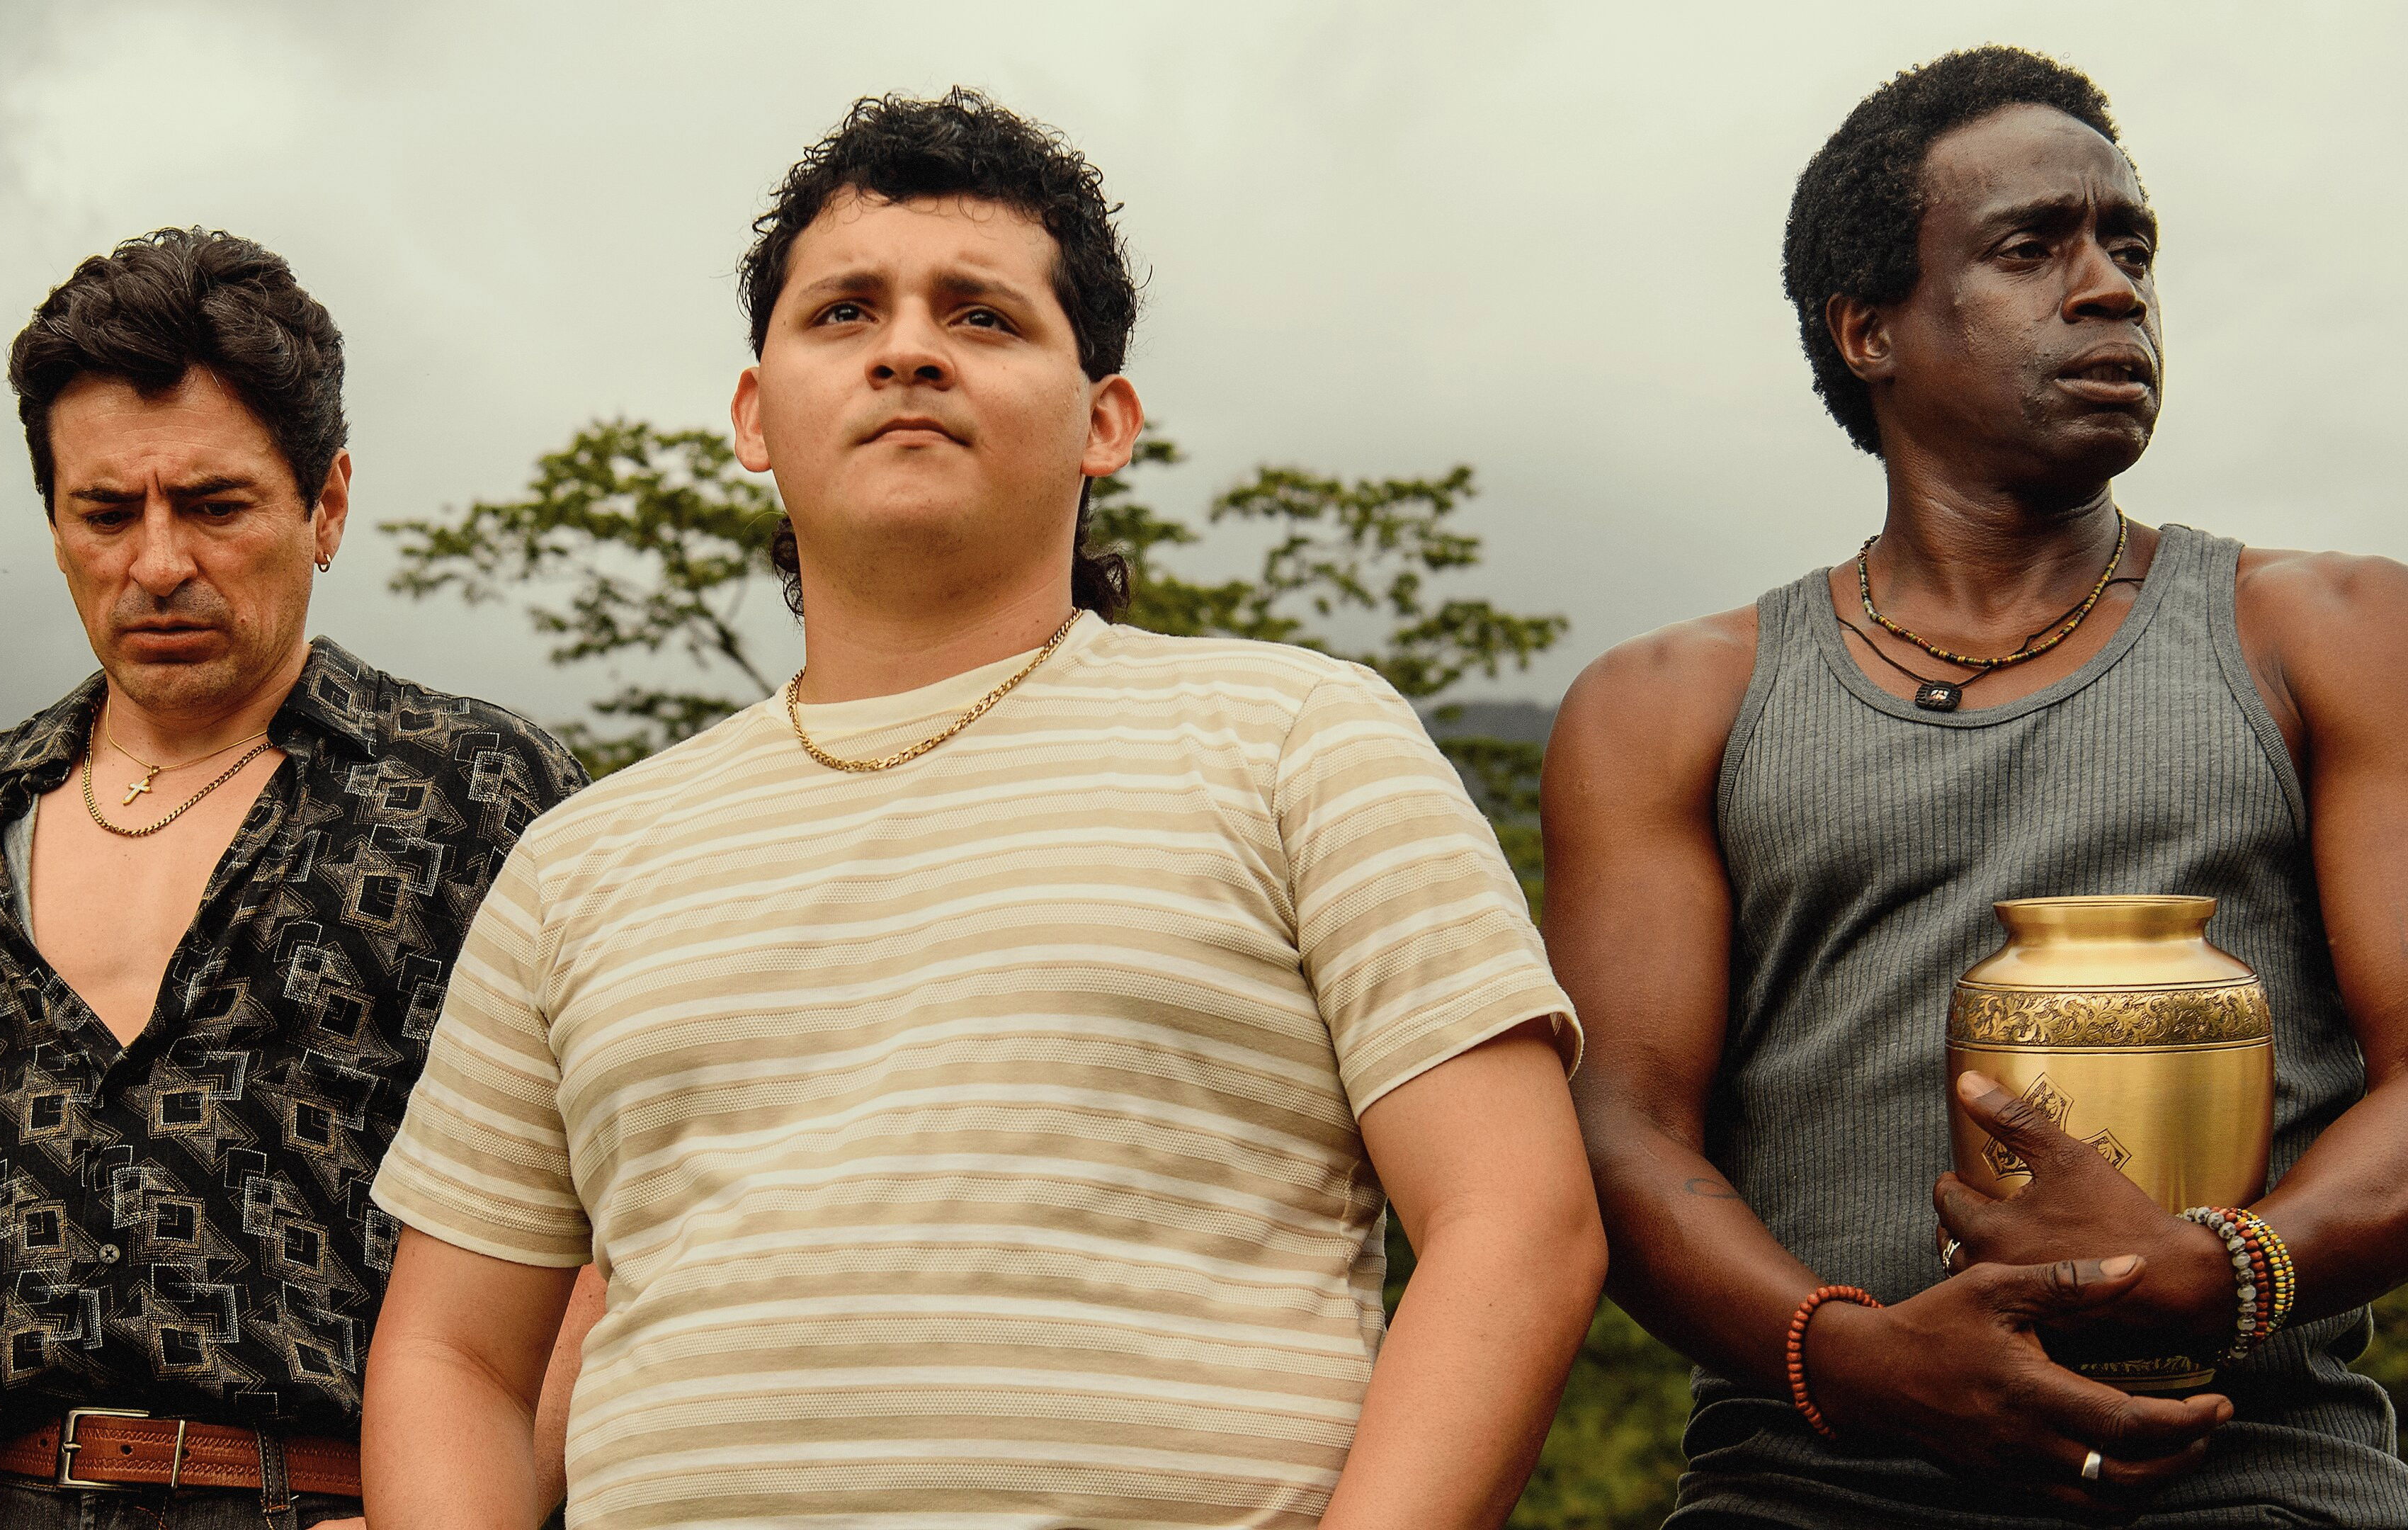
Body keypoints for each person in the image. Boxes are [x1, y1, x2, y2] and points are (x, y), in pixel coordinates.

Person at [361, 88, 1602, 1530]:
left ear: (1105, 423)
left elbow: (1516, 1222)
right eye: (844, 313)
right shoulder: (577, 863)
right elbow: (454, 1356)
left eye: (983, 316)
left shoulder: (1302, 743)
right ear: (755, 417)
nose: (907, 350)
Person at [1546, 45, 2408, 1527]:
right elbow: (1619, 1132)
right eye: (2032, 249)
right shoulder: (1667, 705)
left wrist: (2224, 1270)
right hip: (1803, 1484)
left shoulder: (2333, 635)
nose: (2112, 289)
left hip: (2252, 1476)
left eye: (2130, 246)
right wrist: (1857, 1362)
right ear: (1868, 329)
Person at [0, 228, 590, 1528]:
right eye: (106, 513)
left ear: (326, 504)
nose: (157, 565)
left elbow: (623, 1209)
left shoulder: (479, 796)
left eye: (215, 506)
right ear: (55, 522)